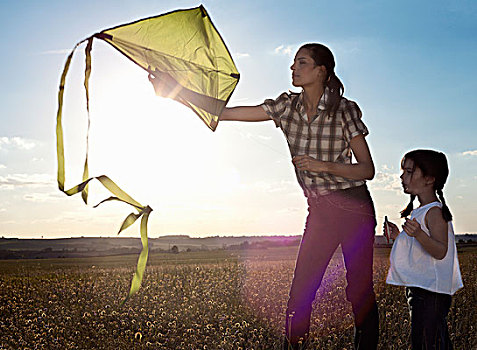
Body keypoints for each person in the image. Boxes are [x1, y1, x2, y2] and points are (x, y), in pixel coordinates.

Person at [149, 43, 379, 349]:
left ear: (321, 71)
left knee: (359, 290)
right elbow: (225, 112)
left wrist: (322, 165)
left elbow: (367, 170)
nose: (293, 68)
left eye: (302, 62)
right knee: (301, 291)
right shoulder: (286, 106)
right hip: (320, 210)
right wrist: (175, 91)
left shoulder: (345, 109)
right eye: (293, 63)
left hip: (353, 206)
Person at [385, 149, 463, 350]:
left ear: (429, 179)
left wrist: (419, 234)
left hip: (431, 292)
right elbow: (418, 249)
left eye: (409, 171)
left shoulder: (434, 212)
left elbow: (440, 251)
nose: (402, 176)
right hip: (421, 288)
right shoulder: (421, 211)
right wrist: (397, 237)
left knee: (428, 343)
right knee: (433, 342)